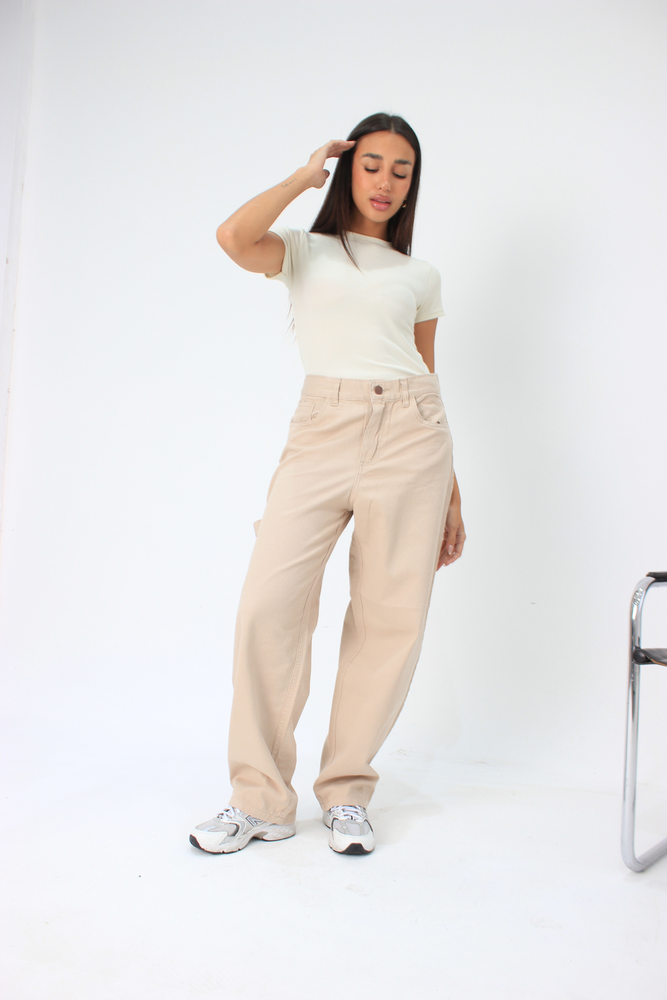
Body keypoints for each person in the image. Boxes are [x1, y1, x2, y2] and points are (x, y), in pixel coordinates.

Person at [190, 112, 465, 856]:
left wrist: (451, 489)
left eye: (401, 170)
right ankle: (259, 800)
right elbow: (232, 238)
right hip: (322, 427)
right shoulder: (304, 250)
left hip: (413, 436)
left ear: (412, 185)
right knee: (268, 605)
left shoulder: (419, 275)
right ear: (347, 170)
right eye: (371, 164)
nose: (385, 181)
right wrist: (299, 178)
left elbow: (426, 373)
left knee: (389, 618)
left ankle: (346, 793)